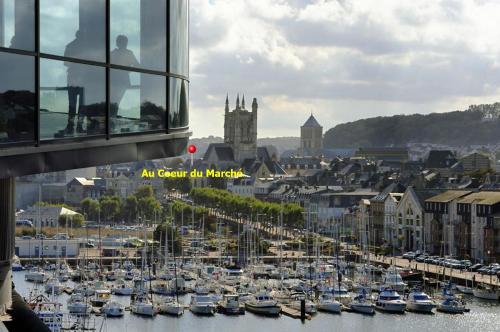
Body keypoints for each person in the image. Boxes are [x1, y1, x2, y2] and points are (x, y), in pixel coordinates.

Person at [58, 30, 86, 136]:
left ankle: (71, 126)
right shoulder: (85, 47)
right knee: (81, 104)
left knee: (72, 104)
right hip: (81, 78)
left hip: (73, 77)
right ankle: (79, 126)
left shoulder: (70, 45)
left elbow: (65, 63)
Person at [110, 35, 140, 128]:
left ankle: (111, 121)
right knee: (115, 102)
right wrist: (127, 71)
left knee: (114, 101)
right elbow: (137, 65)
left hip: (115, 80)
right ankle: (112, 121)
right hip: (122, 80)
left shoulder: (113, 53)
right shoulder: (128, 53)